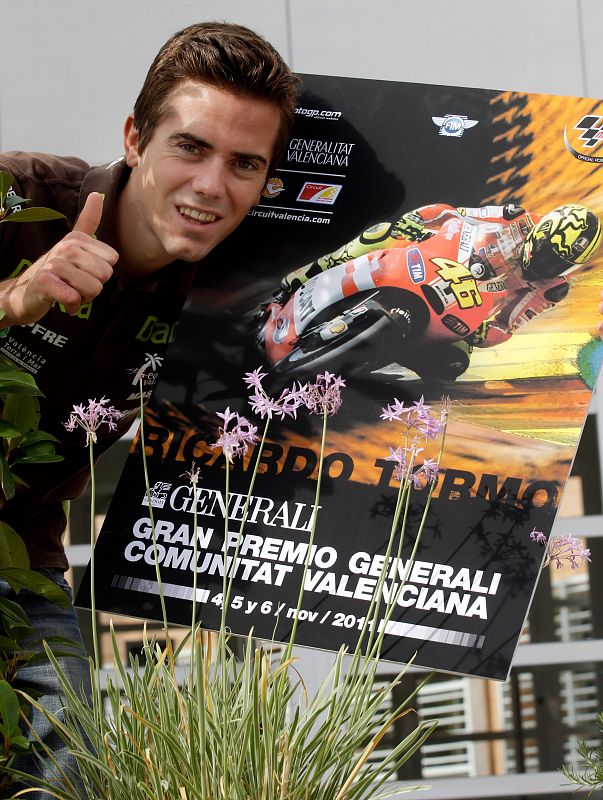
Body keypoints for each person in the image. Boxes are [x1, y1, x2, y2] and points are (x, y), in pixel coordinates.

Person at [0, 21, 298, 792]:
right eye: (190, 148)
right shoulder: (19, 195)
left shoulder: (232, 293)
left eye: (244, 164)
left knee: (67, 772)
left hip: (21, 552)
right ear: (135, 138)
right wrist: (13, 298)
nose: (211, 186)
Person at [275, 201, 601, 378]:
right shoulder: (515, 218)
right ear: (539, 234)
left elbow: (509, 324)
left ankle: (390, 358)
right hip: (437, 261)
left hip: (467, 309)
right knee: (381, 234)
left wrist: (486, 334)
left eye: (558, 264)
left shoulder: (553, 289)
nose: (547, 266)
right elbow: (455, 213)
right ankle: (305, 276)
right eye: (546, 254)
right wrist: (416, 220)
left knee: (454, 361)